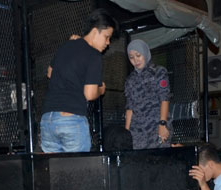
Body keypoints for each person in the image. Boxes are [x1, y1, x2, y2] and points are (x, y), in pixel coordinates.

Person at [39, 9, 118, 153]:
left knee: (55, 173)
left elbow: (50, 73)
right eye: (107, 37)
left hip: (47, 120)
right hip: (71, 119)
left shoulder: (66, 46)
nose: (108, 43)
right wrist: (101, 89)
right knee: (79, 173)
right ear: (95, 32)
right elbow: (89, 94)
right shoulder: (94, 55)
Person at [123, 39, 171, 149]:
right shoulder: (130, 80)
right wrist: (126, 133)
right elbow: (129, 107)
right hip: (137, 132)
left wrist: (162, 124)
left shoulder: (158, 72)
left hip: (157, 127)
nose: (135, 60)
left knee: (160, 161)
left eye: (138, 55)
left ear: (145, 53)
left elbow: (165, 98)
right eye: (131, 57)